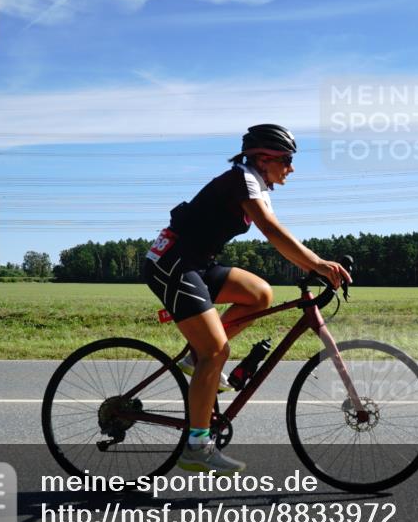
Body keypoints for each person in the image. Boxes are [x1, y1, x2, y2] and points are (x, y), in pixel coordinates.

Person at [144, 124, 352, 474]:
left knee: (259, 294)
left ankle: (196, 358)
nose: (291, 168)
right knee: (216, 351)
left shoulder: (255, 183)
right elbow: (271, 230)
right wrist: (317, 263)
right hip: (172, 264)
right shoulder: (242, 179)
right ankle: (196, 446)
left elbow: (277, 233)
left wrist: (314, 266)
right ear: (264, 159)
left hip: (197, 263)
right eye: (286, 160)